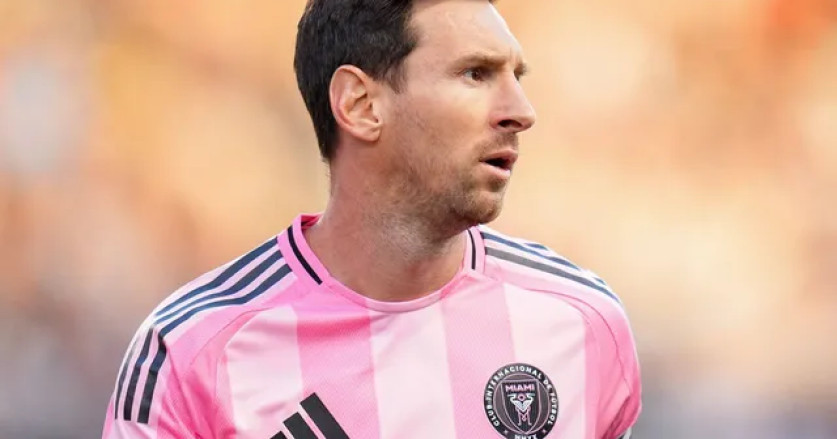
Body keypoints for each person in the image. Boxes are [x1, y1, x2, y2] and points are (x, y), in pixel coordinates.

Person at [102, 0, 641, 438]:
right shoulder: (191, 352)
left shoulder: (582, 321)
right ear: (360, 104)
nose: (521, 112)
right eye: (475, 74)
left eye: (516, 76)